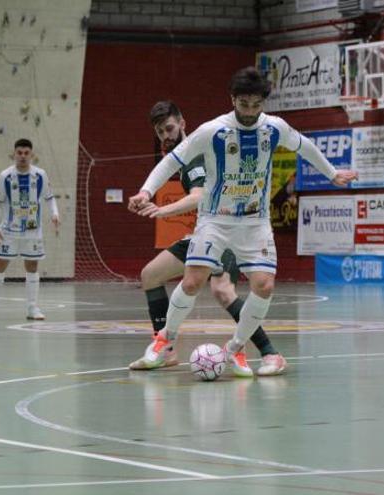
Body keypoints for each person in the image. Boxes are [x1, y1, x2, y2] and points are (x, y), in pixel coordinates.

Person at [128, 67, 357, 376]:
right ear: (233, 99)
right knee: (194, 281)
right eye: (243, 103)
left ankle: (234, 349)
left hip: (254, 222)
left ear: (263, 102)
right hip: (215, 220)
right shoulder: (212, 131)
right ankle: (163, 342)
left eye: (256, 104)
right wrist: (146, 190)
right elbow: (172, 160)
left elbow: (304, 146)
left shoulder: (274, 128)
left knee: (264, 286)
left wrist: (332, 173)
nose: (249, 111)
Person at [129, 100, 287, 377]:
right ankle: (165, 350)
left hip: (228, 230)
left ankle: (269, 352)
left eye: (169, 128)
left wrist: (161, 209)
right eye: (159, 132)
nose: (165, 136)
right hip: (202, 232)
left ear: (182, 123)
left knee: (223, 291)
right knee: (151, 275)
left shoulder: (196, 154)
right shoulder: (183, 154)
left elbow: (198, 196)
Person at [0, 138, 59, 321]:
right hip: (9, 231)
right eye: (19, 153)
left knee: (32, 266)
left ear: (32, 155)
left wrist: (55, 214)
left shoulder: (40, 175)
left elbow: (50, 197)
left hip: (32, 230)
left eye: (26, 153)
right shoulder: (5, 176)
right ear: (14, 154)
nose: (22, 156)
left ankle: (32, 308)